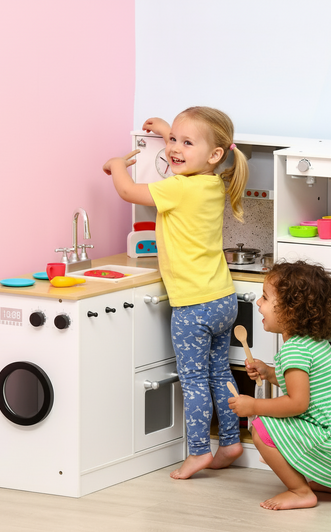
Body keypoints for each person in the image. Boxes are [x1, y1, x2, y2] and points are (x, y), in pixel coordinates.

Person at [103, 106, 249, 479]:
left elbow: (127, 190)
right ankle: (231, 441)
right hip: (222, 299)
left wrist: (117, 164)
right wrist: (171, 133)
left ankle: (199, 451)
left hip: (193, 306)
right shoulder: (214, 182)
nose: (173, 150)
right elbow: (188, 158)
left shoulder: (180, 188)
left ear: (213, 154)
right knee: (219, 373)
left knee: (194, 379)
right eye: (174, 142)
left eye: (186, 143)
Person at [228, 260, 331, 510]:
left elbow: (297, 403)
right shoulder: (313, 343)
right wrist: (268, 372)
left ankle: (299, 491)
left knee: (262, 428)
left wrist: (253, 406)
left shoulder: (294, 350)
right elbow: (305, 386)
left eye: (264, 298)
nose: (258, 303)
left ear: (289, 310)